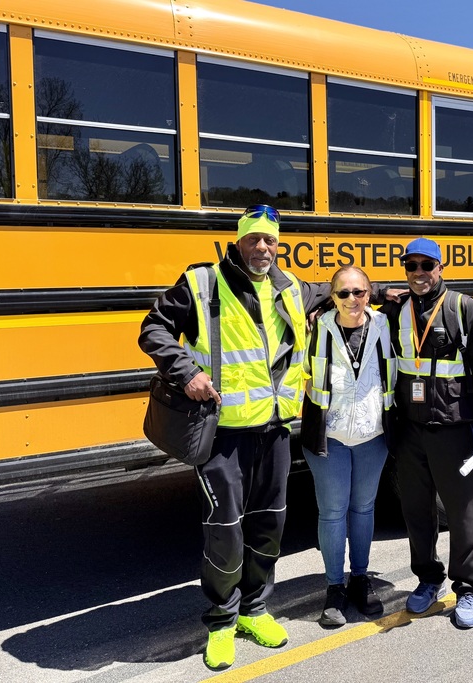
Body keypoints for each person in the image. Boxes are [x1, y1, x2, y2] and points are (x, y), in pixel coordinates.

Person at [138, 205, 334, 670]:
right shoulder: (203, 283)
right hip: (223, 435)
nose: (262, 248)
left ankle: (255, 608)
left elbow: (336, 292)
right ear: (239, 241)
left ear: (279, 244)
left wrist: (390, 292)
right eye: (254, 239)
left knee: (269, 526)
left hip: (275, 431)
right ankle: (222, 621)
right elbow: (153, 328)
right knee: (225, 532)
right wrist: (186, 372)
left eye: (270, 240)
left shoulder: (291, 288)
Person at [380, 237, 473, 629]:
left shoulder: (462, 308)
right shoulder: (396, 310)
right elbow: (351, 306)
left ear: (440, 268)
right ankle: (427, 579)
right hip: (410, 429)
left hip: (453, 429)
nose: (418, 273)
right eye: (411, 266)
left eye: (426, 266)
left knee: (463, 511)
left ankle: (466, 588)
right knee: (416, 511)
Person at [300, 265, 395, 627]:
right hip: (329, 437)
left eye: (360, 292)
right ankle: (334, 588)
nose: (352, 300)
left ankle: (360, 578)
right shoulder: (316, 328)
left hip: (373, 435)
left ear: (369, 294)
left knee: (364, 508)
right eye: (343, 293)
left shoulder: (386, 326)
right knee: (333, 511)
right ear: (331, 296)